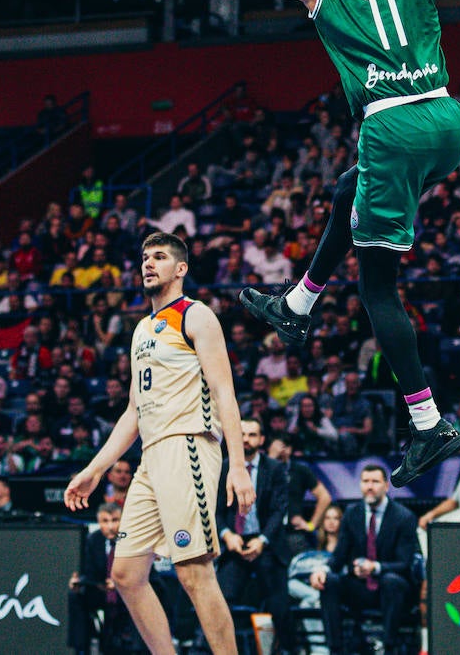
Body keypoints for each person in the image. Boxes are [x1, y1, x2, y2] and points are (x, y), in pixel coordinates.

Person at [235, 0, 460, 486]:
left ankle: (429, 425)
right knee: (348, 190)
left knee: (376, 289)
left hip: (392, 126)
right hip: (448, 119)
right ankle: (301, 304)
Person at [64, 232, 255, 655]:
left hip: (188, 446)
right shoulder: (141, 330)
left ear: (181, 268)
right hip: (151, 458)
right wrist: (94, 469)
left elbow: (225, 393)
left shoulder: (197, 315)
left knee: (193, 572)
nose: (148, 264)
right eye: (145, 257)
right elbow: (134, 411)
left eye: (160, 257)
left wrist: (237, 465)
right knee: (128, 574)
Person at [308, 465, 420, 655]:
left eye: (375, 482)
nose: (370, 486)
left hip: (393, 587)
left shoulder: (404, 517)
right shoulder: (352, 513)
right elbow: (339, 556)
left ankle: (389, 647)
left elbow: (405, 563)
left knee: (391, 581)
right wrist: (323, 570)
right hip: (360, 587)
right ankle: (335, 649)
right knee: (330, 582)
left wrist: (375, 567)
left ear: (386, 486)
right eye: (365, 481)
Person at [213, 419, 291, 654]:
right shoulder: (223, 466)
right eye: (242, 434)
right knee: (220, 600)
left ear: (261, 439)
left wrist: (262, 540)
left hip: (266, 543)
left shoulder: (275, 468)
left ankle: (283, 650)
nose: (246, 439)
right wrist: (227, 535)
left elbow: (280, 510)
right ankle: (215, 649)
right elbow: (213, 510)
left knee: (278, 604)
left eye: (252, 434)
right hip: (233, 543)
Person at [68, 502, 141, 655]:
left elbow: (144, 573)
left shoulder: (132, 540)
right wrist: (79, 583)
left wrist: (120, 583)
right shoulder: (94, 540)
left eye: (115, 520)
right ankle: (81, 647)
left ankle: (138, 647)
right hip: (101, 592)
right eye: (105, 521)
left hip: (128, 592)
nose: (110, 526)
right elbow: (88, 572)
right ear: (99, 523)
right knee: (75, 596)